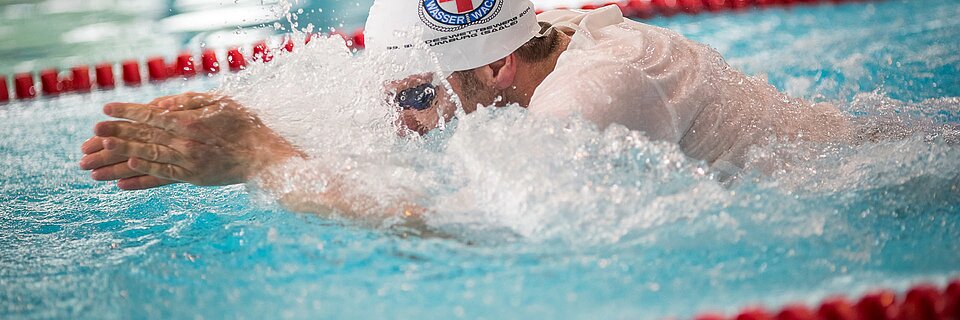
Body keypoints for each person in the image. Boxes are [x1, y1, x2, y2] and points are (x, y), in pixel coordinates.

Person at [79, 0, 856, 220]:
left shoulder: (586, 97)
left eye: (419, 98)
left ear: (497, 65)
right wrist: (214, 126)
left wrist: (257, 156)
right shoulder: (538, 32)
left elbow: (462, 231)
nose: (406, 124)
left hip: (866, 184)